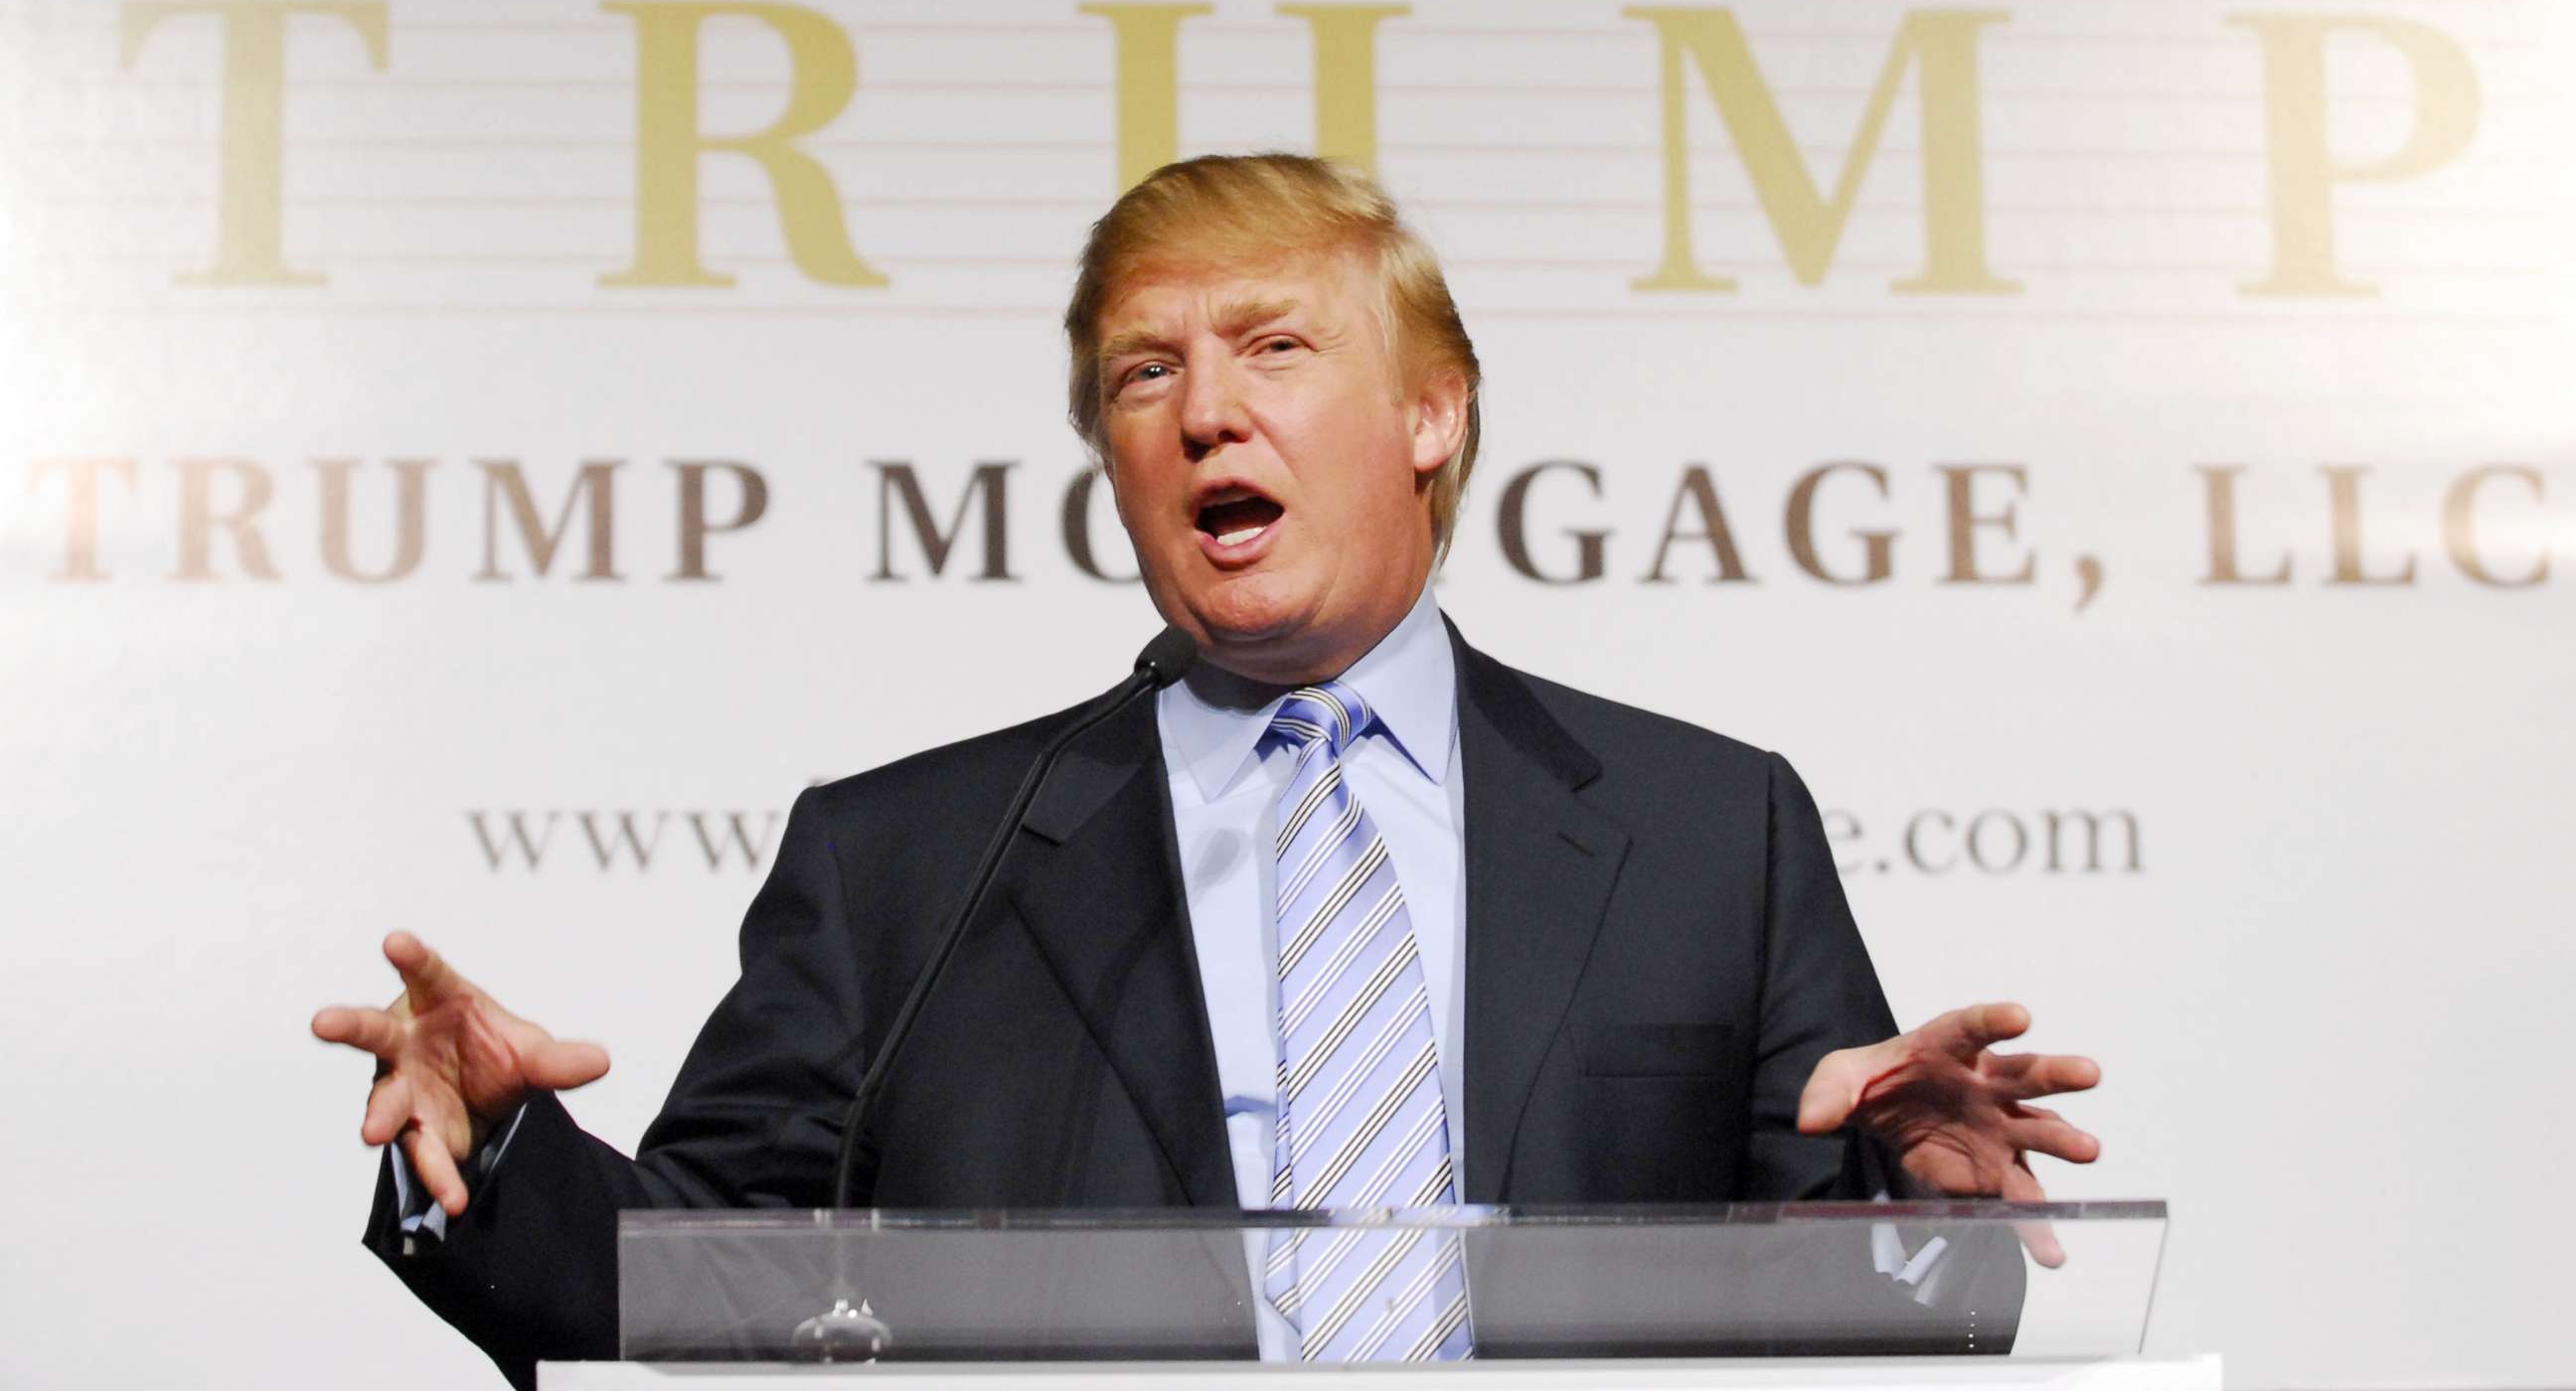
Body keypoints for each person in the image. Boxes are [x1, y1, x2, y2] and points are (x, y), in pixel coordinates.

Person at [313, 154, 2101, 1385]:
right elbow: (686, 1302)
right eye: (1142, 372)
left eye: (1273, 346)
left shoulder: (1712, 829)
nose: (1202, 411)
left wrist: (1909, 1217)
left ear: (1433, 412)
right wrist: (501, 1146)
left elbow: (1837, 1320)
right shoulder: (911, 866)